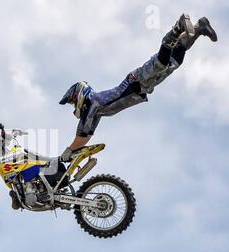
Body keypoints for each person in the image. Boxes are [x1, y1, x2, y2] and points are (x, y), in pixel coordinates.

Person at [59, 14, 218, 162]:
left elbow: (82, 133)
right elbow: (87, 134)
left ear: (79, 94)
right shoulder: (96, 111)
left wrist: (67, 152)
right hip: (141, 88)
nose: (75, 105)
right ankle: (199, 28)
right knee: (174, 61)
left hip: (135, 82)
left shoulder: (92, 102)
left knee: (160, 64)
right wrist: (74, 152)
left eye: (73, 101)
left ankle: (178, 27)